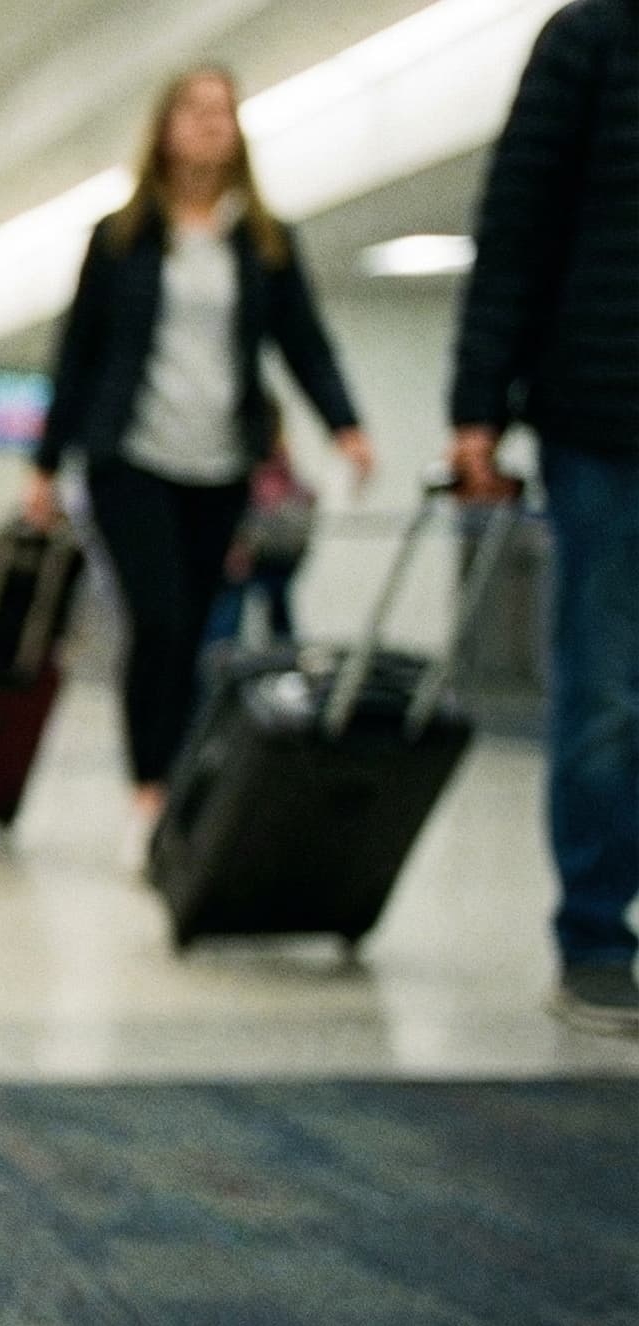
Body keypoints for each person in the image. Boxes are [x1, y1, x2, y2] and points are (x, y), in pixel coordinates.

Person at [25, 66, 372, 843]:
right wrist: (45, 466)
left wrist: (346, 425)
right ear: (165, 127)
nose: (212, 124)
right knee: (157, 617)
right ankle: (148, 787)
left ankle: (178, 775)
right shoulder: (120, 241)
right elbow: (77, 357)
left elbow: (304, 342)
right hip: (130, 458)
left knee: (196, 630)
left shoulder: (263, 243)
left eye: (224, 112)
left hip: (222, 464)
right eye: (196, 110)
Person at [448, 0, 639, 1030]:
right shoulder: (588, 41)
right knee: (606, 690)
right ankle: (596, 935)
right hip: (606, 414)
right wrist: (476, 404)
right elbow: (515, 228)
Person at [205, 429, 315, 649]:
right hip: (242, 565)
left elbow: (297, 530)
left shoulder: (295, 487)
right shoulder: (242, 476)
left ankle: (284, 663)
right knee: (226, 619)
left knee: (277, 619)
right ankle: (219, 662)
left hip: (278, 562)